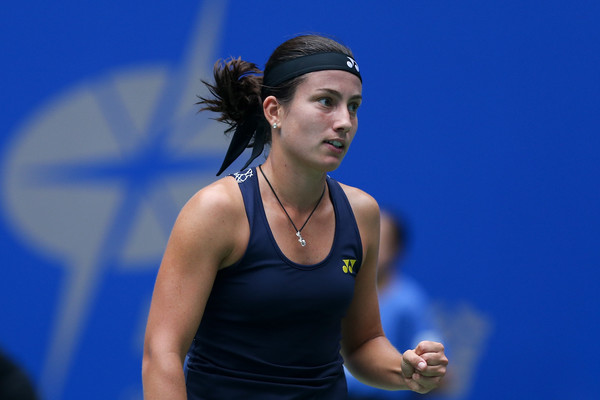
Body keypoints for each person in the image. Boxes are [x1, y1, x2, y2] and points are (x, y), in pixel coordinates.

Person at [142, 34, 448, 399]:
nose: (344, 122)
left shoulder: (362, 212)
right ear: (274, 111)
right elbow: (161, 355)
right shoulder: (216, 211)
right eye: (326, 102)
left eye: (353, 106)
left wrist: (406, 369)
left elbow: (363, 342)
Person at [346, 210, 445, 399]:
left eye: (380, 238)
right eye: (364, 235)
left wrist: (427, 367)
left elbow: (434, 371)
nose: (369, 244)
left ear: (396, 249)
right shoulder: (337, 290)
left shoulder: (409, 302)